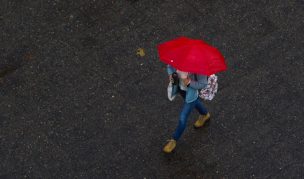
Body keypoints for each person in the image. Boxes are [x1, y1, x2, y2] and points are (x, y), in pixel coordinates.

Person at [163, 64, 211, 153]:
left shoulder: (199, 66)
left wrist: (189, 82)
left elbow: (203, 83)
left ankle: (174, 139)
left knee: (183, 118)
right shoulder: (179, 58)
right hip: (181, 89)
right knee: (195, 102)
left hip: (190, 93)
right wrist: (171, 74)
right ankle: (205, 114)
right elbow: (170, 66)